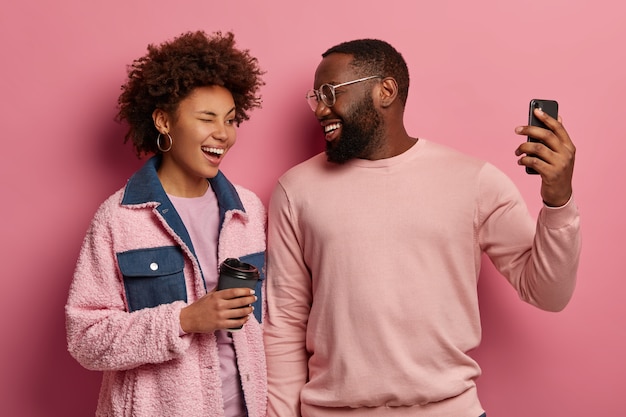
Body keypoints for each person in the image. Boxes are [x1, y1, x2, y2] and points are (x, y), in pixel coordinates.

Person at [264, 38, 581, 417]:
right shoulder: (295, 190)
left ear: (385, 90)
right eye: (315, 95)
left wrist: (558, 200)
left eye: (330, 92)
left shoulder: (474, 181)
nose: (319, 107)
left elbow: (549, 293)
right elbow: (284, 322)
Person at [66, 31, 267, 417]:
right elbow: (85, 338)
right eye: (206, 118)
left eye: (230, 119)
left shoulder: (248, 212)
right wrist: (185, 319)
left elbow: (267, 326)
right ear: (163, 121)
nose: (223, 133)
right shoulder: (120, 217)